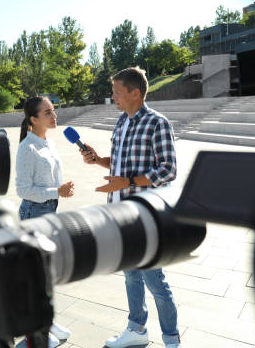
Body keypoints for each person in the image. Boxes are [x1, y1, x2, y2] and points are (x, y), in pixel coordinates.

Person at [79, 67, 181, 348]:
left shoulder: (157, 123)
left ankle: (172, 340)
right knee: (131, 275)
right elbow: (121, 164)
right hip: (119, 214)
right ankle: (137, 329)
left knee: (154, 279)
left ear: (135, 93)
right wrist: (98, 160)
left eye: (117, 92)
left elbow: (168, 169)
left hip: (145, 215)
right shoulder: (121, 123)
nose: (113, 97)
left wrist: (128, 182)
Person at [15, 96, 73, 348]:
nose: (54, 115)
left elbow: (49, 182)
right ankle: (35, 330)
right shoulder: (27, 148)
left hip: (49, 212)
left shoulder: (46, 142)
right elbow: (23, 190)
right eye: (47, 112)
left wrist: (59, 192)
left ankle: (45, 322)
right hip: (34, 214)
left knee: (46, 275)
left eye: (53, 111)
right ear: (33, 119)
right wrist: (56, 192)